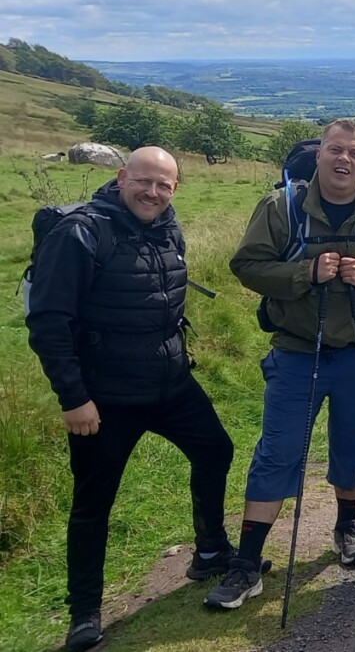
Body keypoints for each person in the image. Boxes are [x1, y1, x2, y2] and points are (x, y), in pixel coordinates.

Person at [26, 146, 235, 652]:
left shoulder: (167, 227)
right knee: (94, 502)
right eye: (144, 181)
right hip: (105, 396)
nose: (153, 192)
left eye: (164, 185)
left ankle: (210, 551)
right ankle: (84, 613)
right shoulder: (80, 233)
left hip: (169, 383)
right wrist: (73, 398)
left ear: (174, 189)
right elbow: (49, 321)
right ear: (121, 178)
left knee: (216, 450)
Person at [204, 119, 355, 609]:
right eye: (335, 150)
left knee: (350, 446)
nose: (345, 160)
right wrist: (305, 273)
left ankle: (346, 530)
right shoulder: (281, 207)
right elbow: (247, 265)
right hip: (298, 352)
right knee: (277, 453)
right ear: (319, 154)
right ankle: (247, 565)